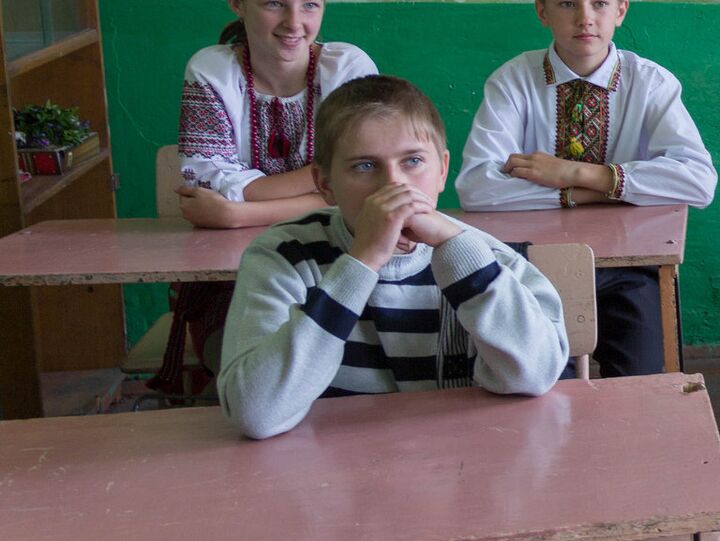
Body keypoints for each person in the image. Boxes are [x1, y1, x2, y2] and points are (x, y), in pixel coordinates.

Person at [218, 75, 567, 439]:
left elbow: (536, 375)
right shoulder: (284, 257)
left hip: (458, 468)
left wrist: (464, 259)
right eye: (364, 166)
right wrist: (360, 263)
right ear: (325, 184)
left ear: (443, 170)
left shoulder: (486, 260)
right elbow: (254, 413)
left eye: (413, 161)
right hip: (328, 475)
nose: (394, 186)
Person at [457, 0, 717, 377]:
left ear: (621, 10)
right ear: (542, 12)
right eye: (567, 4)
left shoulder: (650, 83)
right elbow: (477, 187)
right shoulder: (513, 81)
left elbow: (698, 182)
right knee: (534, 386)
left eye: (599, 3)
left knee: (643, 381)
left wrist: (576, 173)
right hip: (527, 264)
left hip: (632, 267)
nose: (585, 18)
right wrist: (588, 194)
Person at [164, 0, 378, 394]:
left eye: (310, 5)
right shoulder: (211, 71)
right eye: (274, 4)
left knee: (356, 359)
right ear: (236, 2)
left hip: (339, 259)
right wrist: (324, 188)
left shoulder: (348, 68)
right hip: (231, 274)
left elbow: (366, 179)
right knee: (249, 367)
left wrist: (238, 213)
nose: (294, 23)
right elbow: (206, 178)